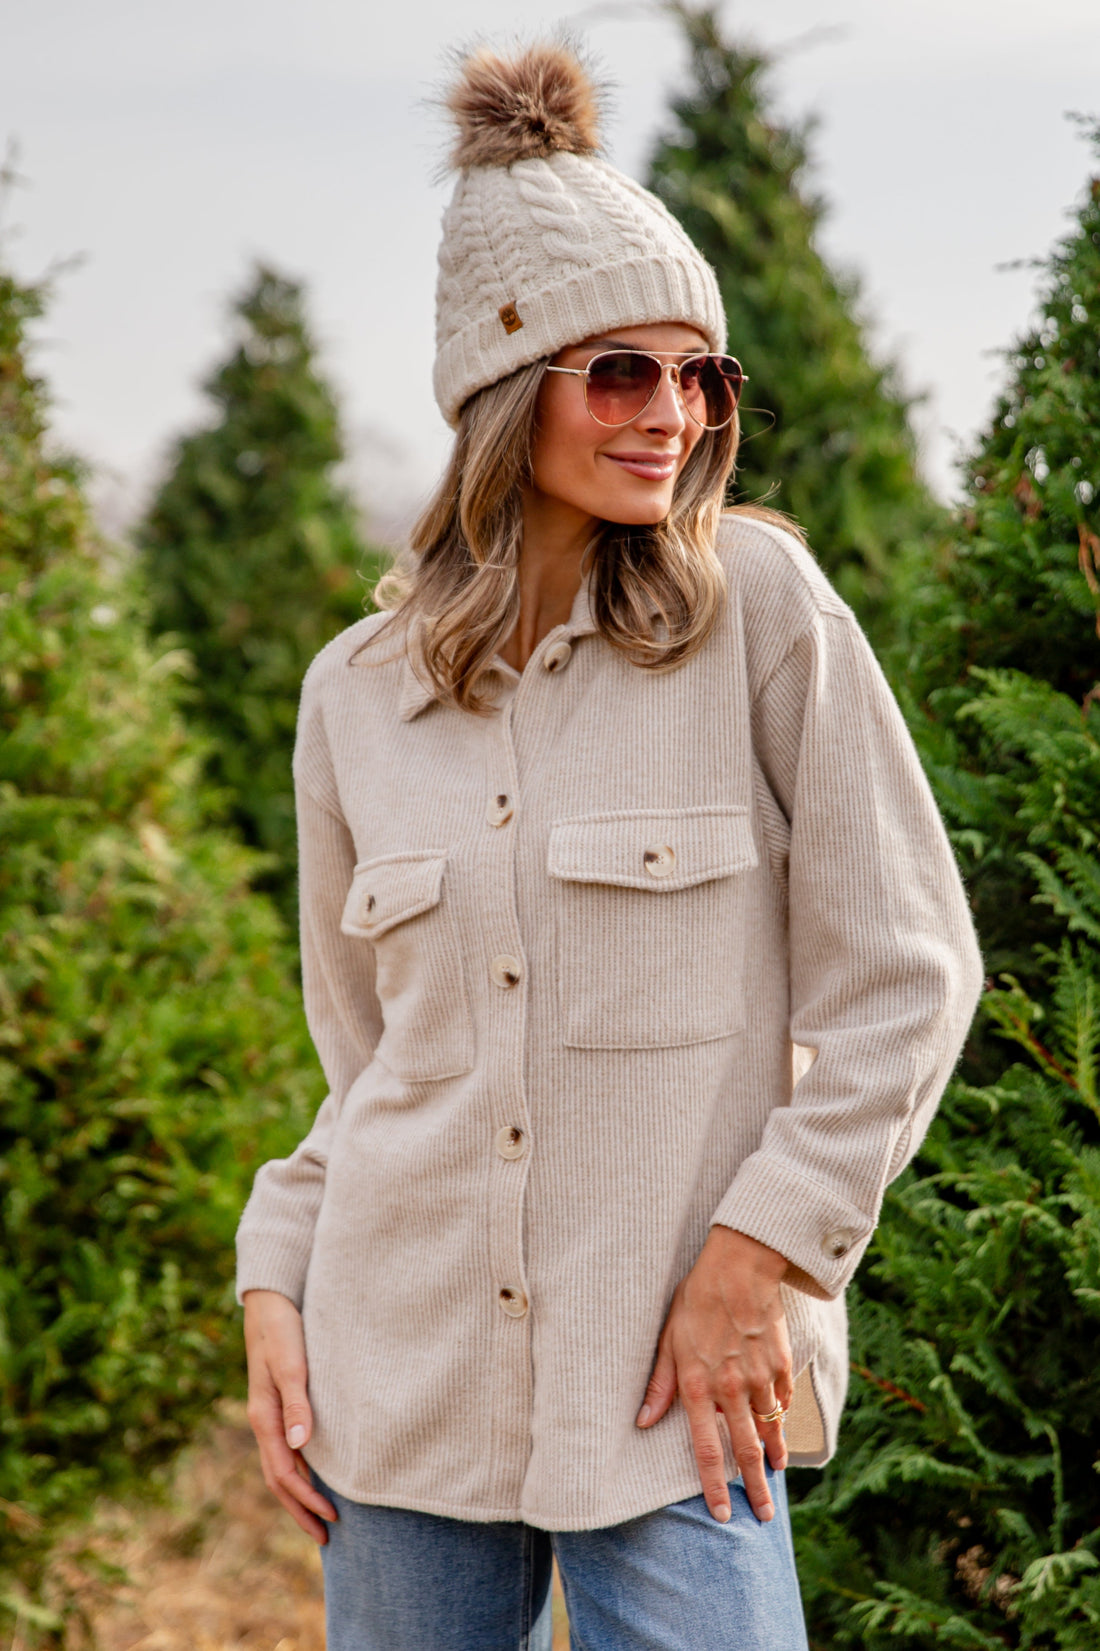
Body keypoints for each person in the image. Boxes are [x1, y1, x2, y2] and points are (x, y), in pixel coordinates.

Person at [236, 41, 983, 1651]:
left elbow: (909, 981)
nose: (675, 415)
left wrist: (759, 1257)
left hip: (678, 1395)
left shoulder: (764, 616)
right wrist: (272, 1278)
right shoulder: (354, 695)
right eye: (624, 372)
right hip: (399, 1392)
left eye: (703, 377)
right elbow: (369, 1073)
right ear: (506, 393)